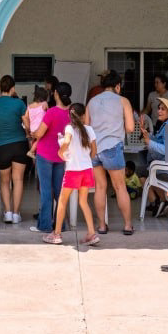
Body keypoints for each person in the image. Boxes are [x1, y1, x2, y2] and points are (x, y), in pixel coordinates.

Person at [85, 70, 137, 235]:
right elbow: (130, 128)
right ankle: (128, 225)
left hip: (94, 149)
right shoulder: (123, 101)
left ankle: (101, 226)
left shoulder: (92, 102)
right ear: (118, 86)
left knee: (100, 187)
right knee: (120, 186)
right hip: (112, 146)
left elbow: (86, 127)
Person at [45, 103, 101, 245]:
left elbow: (68, 140)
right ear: (83, 116)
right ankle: (92, 234)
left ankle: (56, 234)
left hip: (73, 171)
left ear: (70, 115)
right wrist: (86, 157)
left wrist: (60, 151)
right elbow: (94, 152)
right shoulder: (89, 130)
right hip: (87, 170)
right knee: (83, 201)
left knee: (62, 201)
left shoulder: (69, 128)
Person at [30, 82, 72, 234]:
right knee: (59, 191)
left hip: (45, 155)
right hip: (61, 157)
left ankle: (45, 225)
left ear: (55, 94)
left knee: (46, 190)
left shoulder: (52, 112)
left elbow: (40, 133)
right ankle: (61, 225)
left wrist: (32, 133)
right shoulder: (71, 113)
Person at [0, 75, 29, 224]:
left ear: (0, 88)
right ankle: (16, 214)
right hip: (19, 144)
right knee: (18, 180)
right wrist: (29, 134)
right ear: (13, 88)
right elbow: (26, 123)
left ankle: (7, 212)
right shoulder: (19, 104)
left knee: (5, 181)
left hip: (2, 146)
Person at [23, 85, 49, 159]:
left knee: (34, 140)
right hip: (40, 127)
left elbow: (25, 117)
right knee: (40, 139)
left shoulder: (30, 106)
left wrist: (27, 131)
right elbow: (49, 114)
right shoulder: (44, 104)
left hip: (32, 127)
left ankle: (33, 149)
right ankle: (31, 151)